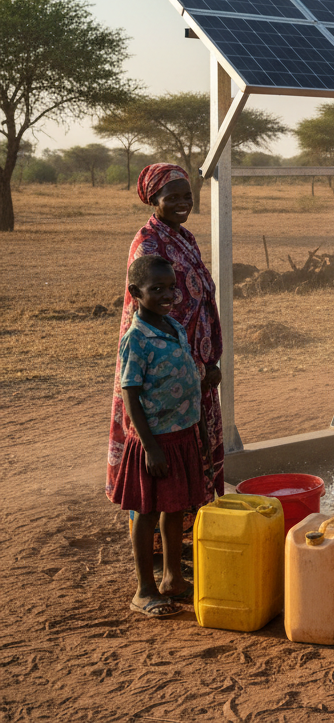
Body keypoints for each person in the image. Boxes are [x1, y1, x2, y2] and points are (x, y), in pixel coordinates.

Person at [106, 164, 225, 546]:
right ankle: (154, 553)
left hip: (192, 373)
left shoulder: (185, 238)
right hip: (161, 378)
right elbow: (153, 311)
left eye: (186, 196)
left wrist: (206, 364)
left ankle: (182, 547)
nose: (181, 203)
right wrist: (190, 365)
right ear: (152, 199)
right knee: (157, 469)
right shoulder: (148, 243)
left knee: (189, 461)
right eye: (171, 197)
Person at [110, 255, 208, 617]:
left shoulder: (173, 327)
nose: (168, 295)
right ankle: (144, 589)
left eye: (171, 287)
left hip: (181, 436)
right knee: (147, 513)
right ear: (136, 293)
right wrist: (150, 446)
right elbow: (130, 395)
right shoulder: (136, 339)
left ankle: (172, 579)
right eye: (157, 289)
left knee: (175, 508)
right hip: (155, 442)